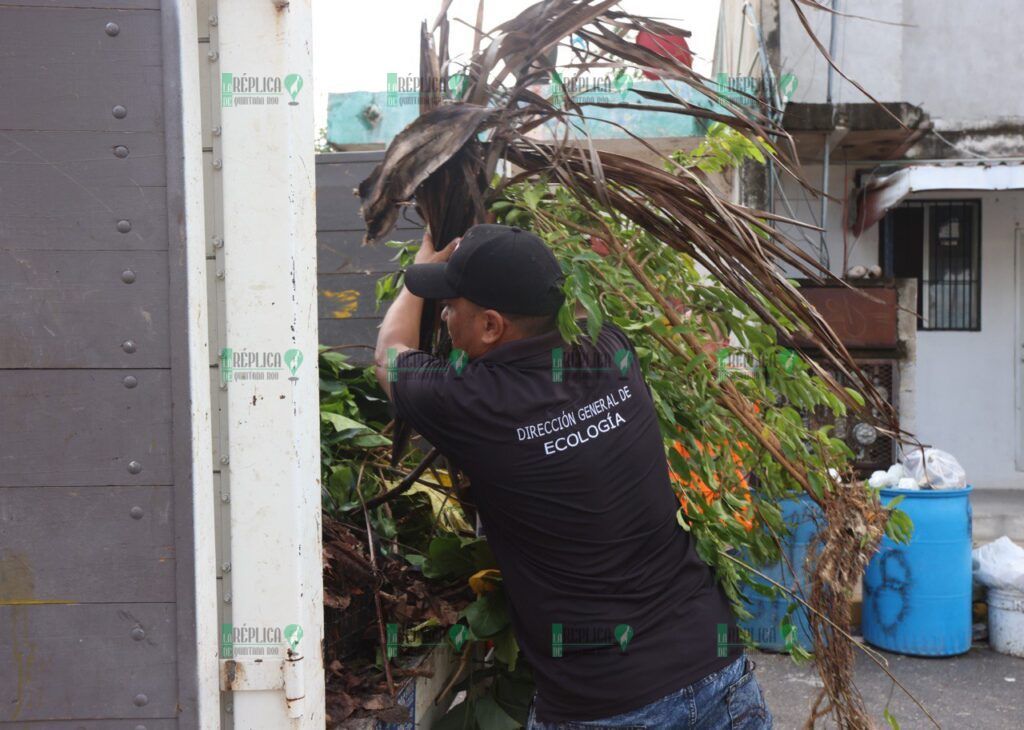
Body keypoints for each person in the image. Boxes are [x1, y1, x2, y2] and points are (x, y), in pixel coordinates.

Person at [374, 223, 773, 729]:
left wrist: (417, 279)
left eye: (452, 305)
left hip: (608, 707)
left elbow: (389, 352)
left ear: (492, 326)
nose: (445, 316)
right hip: (718, 672)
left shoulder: (473, 403)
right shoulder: (609, 351)